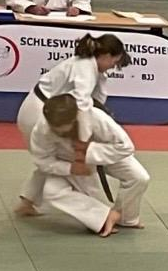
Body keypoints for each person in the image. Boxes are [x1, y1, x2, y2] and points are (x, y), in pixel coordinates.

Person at [14, 33, 130, 216]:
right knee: (70, 162)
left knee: (51, 158)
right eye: (114, 62)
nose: (113, 67)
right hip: (42, 112)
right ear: (106, 55)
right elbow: (82, 104)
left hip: (43, 109)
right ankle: (100, 213)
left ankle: (27, 201)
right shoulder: (85, 68)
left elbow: (94, 101)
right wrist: (82, 143)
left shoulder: (91, 67)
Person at [28, 94, 150, 237]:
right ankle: (104, 216)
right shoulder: (42, 129)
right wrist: (70, 168)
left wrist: (89, 151)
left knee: (139, 177)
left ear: (75, 117)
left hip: (105, 153)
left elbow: (126, 146)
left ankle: (125, 218)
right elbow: (42, 161)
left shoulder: (96, 117)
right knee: (51, 191)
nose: (58, 131)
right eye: (54, 128)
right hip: (69, 162)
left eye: (61, 128)